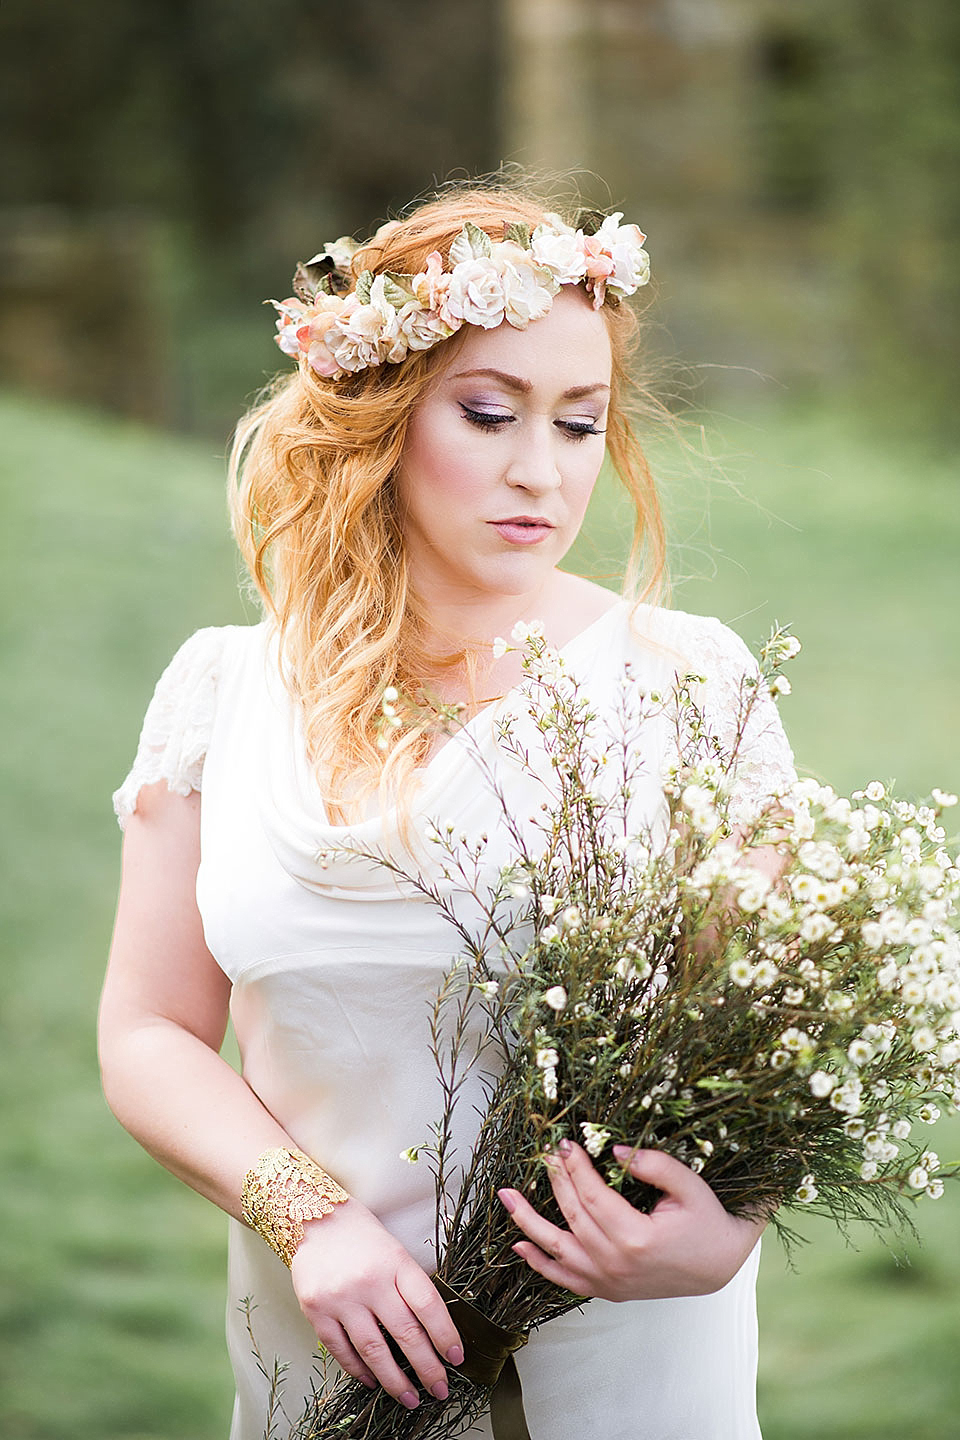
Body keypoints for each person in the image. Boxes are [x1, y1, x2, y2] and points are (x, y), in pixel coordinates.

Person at [99, 179, 796, 1440]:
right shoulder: (225, 690)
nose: (542, 470)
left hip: (632, 1371)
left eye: (581, 425)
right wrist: (311, 1222)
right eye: (488, 414)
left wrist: (722, 1235)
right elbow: (148, 1029)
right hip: (332, 1358)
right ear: (380, 420)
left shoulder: (691, 685)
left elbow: (775, 1038)